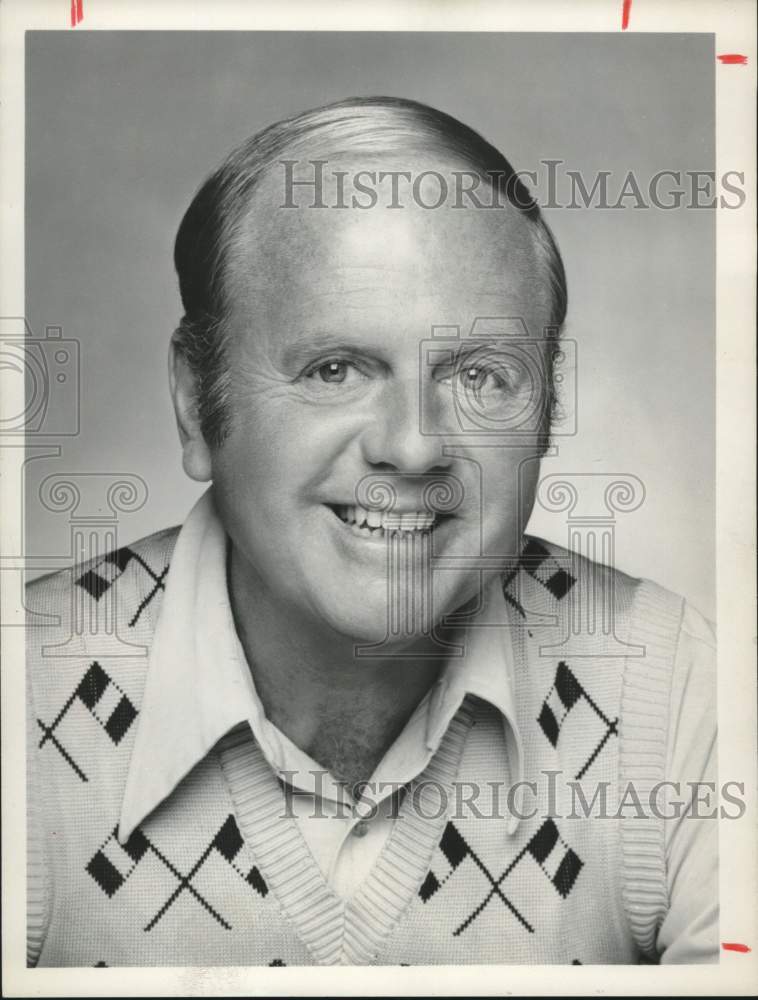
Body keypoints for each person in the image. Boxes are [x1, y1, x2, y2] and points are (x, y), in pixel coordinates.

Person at [26, 96, 717, 967]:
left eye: (481, 375)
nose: (413, 444)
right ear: (195, 403)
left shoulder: (678, 686)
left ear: (547, 411)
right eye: (336, 369)